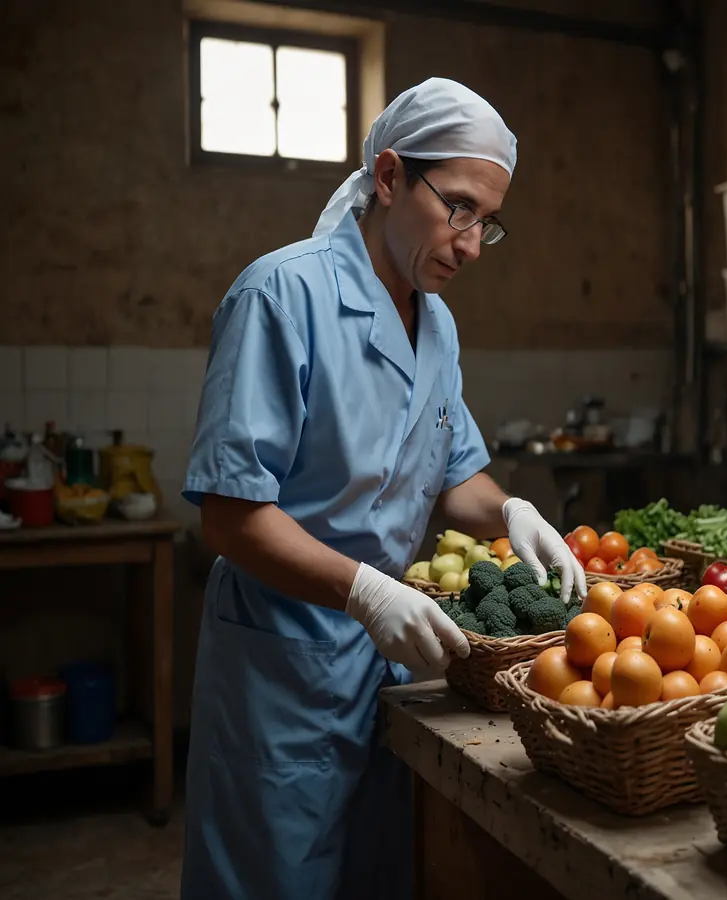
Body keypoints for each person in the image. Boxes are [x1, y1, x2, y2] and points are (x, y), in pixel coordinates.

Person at [178, 77, 586, 900]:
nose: (471, 245)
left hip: (388, 671)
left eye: (488, 222)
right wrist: (364, 590)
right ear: (392, 178)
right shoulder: (281, 296)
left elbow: (453, 471)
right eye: (460, 208)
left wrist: (511, 509)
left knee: (381, 874)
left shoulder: (435, 322)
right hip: (282, 669)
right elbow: (228, 515)